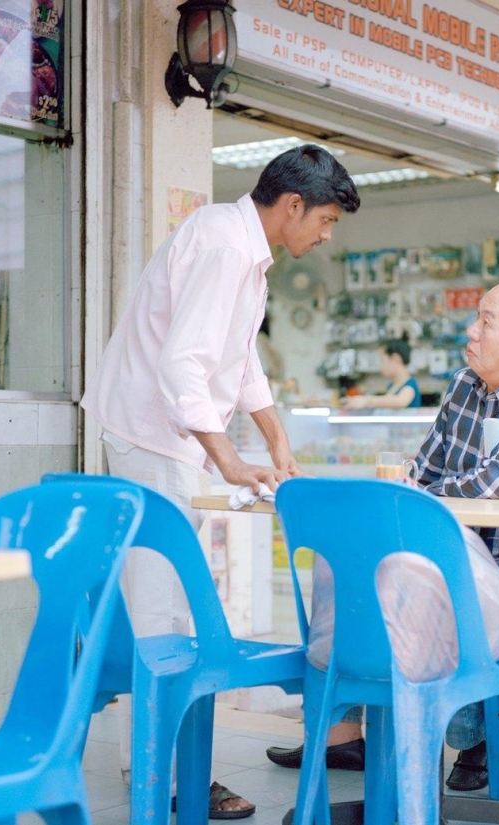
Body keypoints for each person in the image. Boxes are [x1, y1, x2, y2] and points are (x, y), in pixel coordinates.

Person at [81, 144, 360, 819]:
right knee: (162, 609)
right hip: (151, 435)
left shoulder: (246, 251)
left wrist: (274, 437)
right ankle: (169, 777)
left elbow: (237, 362)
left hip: (167, 437)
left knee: (171, 603)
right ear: (291, 205)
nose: (324, 236)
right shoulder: (222, 245)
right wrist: (229, 458)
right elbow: (184, 364)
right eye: (323, 221)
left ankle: (154, 761)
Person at [265, 265, 499, 794]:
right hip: (447, 554)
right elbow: (422, 473)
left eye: (486, 322)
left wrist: (433, 490)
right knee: (349, 575)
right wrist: (428, 487)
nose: (471, 331)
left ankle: (462, 734)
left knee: (430, 602)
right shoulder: (461, 387)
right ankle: (343, 734)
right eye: (476, 316)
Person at [343, 337, 421, 409]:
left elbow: (401, 401)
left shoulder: (410, 385)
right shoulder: (391, 386)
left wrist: (367, 401)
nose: (380, 366)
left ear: (395, 358)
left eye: (382, 360)